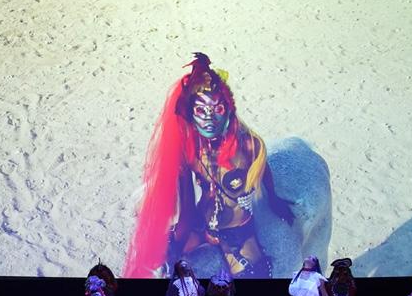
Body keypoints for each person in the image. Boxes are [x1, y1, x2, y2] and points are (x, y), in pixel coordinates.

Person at [122, 52, 295, 279]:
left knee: (254, 277)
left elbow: (264, 170)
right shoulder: (189, 151)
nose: (209, 118)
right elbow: (186, 208)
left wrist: (273, 199)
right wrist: (176, 245)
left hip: (237, 231)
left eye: (217, 109)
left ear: (228, 108)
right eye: (200, 110)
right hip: (201, 225)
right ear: (190, 113)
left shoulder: (248, 145)